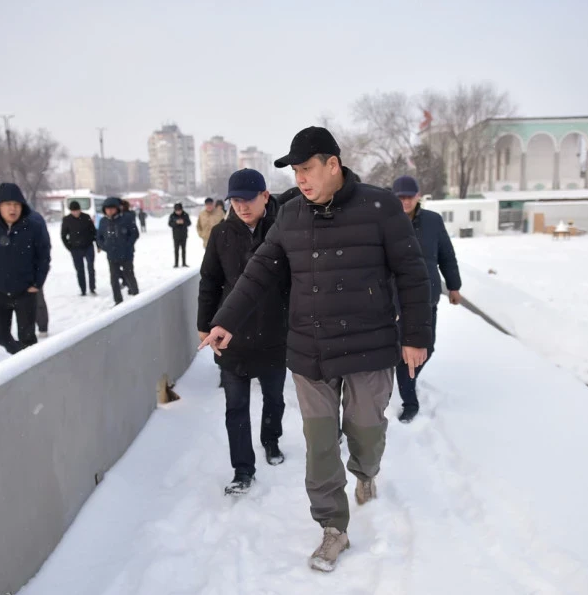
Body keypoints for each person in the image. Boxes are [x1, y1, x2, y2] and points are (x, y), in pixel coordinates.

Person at [200, 126, 431, 572]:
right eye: (295, 172)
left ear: (333, 164)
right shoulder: (290, 214)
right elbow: (259, 271)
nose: (300, 179)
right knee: (320, 443)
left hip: (369, 347)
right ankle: (332, 527)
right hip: (312, 350)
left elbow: (412, 273)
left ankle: (365, 472)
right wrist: (225, 319)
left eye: (307, 168)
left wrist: (415, 336)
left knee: (366, 432)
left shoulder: (381, 207)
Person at [198, 169, 288, 496]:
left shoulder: (282, 230)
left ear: (265, 196)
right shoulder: (221, 234)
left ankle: (271, 439)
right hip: (232, 336)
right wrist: (204, 325)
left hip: (274, 333)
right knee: (235, 406)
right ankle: (242, 469)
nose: (241, 206)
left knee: (274, 397)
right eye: (235, 200)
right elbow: (209, 281)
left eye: (248, 199)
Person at [391, 175, 463, 423]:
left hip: (427, 296)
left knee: (426, 347)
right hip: (398, 297)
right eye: (400, 197)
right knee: (404, 350)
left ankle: (406, 376)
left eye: (409, 197)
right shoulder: (386, 221)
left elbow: (447, 255)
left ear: (418, 196)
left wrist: (454, 286)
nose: (405, 202)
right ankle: (409, 400)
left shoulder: (433, 221)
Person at [0, 182, 51, 354]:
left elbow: (43, 256)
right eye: (8, 204)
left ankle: (29, 363)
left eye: (16, 204)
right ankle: (21, 354)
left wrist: (37, 282)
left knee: (27, 336)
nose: (13, 209)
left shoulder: (33, 227)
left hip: (25, 291)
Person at [97, 196, 139, 304]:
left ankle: (137, 298)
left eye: (112, 208)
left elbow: (134, 233)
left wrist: (127, 245)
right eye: (107, 209)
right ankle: (118, 301)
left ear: (117, 208)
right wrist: (105, 247)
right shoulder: (103, 221)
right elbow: (99, 237)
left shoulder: (126, 219)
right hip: (112, 255)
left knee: (129, 275)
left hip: (126, 254)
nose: (110, 211)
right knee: (114, 279)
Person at [61, 200, 97, 296]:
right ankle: (83, 290)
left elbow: (93, 231)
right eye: (73, 211)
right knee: (80, 270)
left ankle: (92, 288)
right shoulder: (67, 220)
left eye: (77, 210)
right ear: (71, 211)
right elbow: (63, 235)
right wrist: (69, 247)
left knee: (91, 268)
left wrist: (97, 244)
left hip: (88, 246)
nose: (76, 213)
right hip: (75, 249)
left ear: (80, 210)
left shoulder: (86, 217)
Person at [27, 209, 51, 338]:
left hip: (33, 266)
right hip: (10, 268)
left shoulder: (34, 218)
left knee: (36, 296)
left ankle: (42, 326)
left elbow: (45, 244)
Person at [168, 202, 191, 267]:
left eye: (179, 210)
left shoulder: (185, 215)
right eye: (177, 210)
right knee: (176, 250)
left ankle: (184, 263)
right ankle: (176, 263)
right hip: (176, 236)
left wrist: (183, 222)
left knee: (184, 250)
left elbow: (189, 223)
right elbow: (170, 224)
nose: (178, 212)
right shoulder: (172, 215)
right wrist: (176, 222)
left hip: (184, 235)